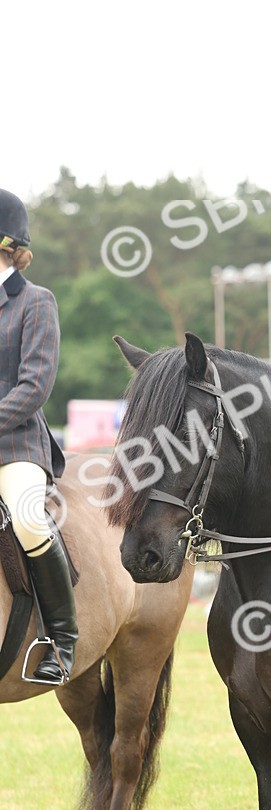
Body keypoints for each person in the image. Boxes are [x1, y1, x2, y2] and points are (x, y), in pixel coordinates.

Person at [0, 189, 77, 683]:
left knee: (28, 519)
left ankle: (61, 640)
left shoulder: (35, 302)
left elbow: (34, 385)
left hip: (16, 446)